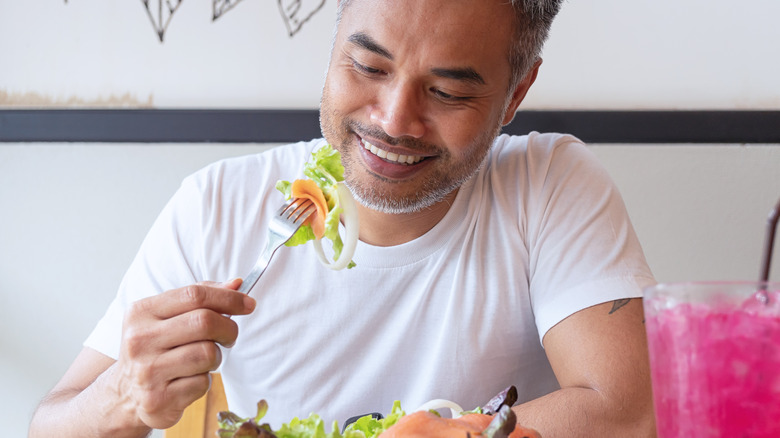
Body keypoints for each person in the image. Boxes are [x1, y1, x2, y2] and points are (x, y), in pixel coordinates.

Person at [29, 0, 657, 437]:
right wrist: (122, 397)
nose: (392, 120)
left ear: (516, 93)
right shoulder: (217, 205)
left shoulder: (549, 184)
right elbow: (50, 424)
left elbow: (630, 415)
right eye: (368, 67)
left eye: (446, 92)